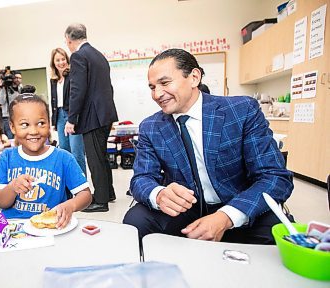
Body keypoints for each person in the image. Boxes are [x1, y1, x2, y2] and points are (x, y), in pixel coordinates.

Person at [123, 49, 294, 245]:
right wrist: (159, 194)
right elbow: (141, 178)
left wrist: (226, 216)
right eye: (152, 87)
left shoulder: (241, 111)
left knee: (282, 239)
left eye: (164, 83)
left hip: (239, 203)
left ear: (194, 77)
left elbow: (274, 176)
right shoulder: (151, 126)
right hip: (186, 208)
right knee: (136, 221)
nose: (157, 94)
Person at [0, 94, 92, 227]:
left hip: (51, 228)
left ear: (49, 123)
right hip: (14, 228)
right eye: (24, 124)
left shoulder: (63, 158)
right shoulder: (7, 157)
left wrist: (71, 205)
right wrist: (12, 187)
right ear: (12, 127)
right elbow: (1, 202)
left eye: (41, 123)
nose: (34, 131)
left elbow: (85, 195)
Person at [64, 23, 118, 212]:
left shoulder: (78, 56)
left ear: (69, 40)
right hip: (105, 113)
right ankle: (108, 193)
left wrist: (71, 119)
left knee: (95, 159)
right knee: (101, 156)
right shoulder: (98, 55)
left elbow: (77, 90)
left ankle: (100, 201)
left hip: (92, 116)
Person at [49, 47, 87, 175]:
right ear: (53, 63)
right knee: (64, 151)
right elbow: (54, 101)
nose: (61, 62)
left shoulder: (72, 75)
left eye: (63, 59)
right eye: (57, 60)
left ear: (67, 60)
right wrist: (53, 122)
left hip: (72, 115)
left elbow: (76, 97)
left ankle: (82, 186)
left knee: (77, 152)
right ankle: (70, 184)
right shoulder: (53, 80)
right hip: (59, 116)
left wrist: (73, 118)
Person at [0, 71, 23, 139]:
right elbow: (1, 101)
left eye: (20, 78)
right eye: (16, 78)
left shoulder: (20, 88)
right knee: (11, 138)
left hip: (19, 116)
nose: (18, 79)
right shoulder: (5, 88)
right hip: (8, 117)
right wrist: (3, 88)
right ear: (12, 78)